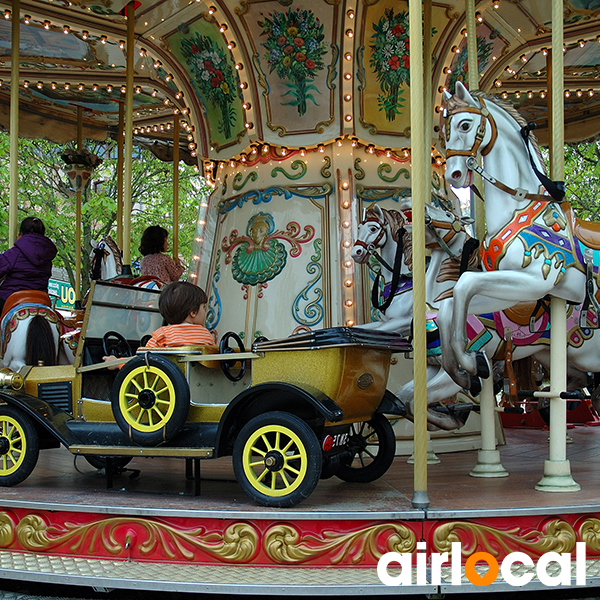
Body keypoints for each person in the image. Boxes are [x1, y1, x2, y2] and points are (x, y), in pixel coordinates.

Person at [0, 216, 57, 315]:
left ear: (19, 235)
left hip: (12, 298)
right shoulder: (46, 258)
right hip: (40, 300)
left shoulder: (14, 254)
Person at [145, 281, 215, 347]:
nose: (205, 311)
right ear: (193, 312)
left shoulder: (161, 334)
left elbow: (145, 355)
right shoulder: (205, 335)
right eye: (203, 307)